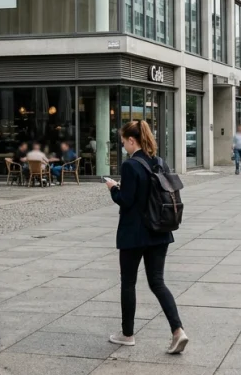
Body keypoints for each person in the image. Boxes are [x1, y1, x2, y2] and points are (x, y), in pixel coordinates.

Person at [104, 120, 188, 354]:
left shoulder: (131, 165)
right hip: (160, 230)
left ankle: (127, 334)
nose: (123, 147)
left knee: (128, 283)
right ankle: (178, 330)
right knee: (158, 282)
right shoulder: (159, 162)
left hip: (134, 234)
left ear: (132, 141)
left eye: (123, 142)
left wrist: (113, 188)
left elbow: (126, 200)